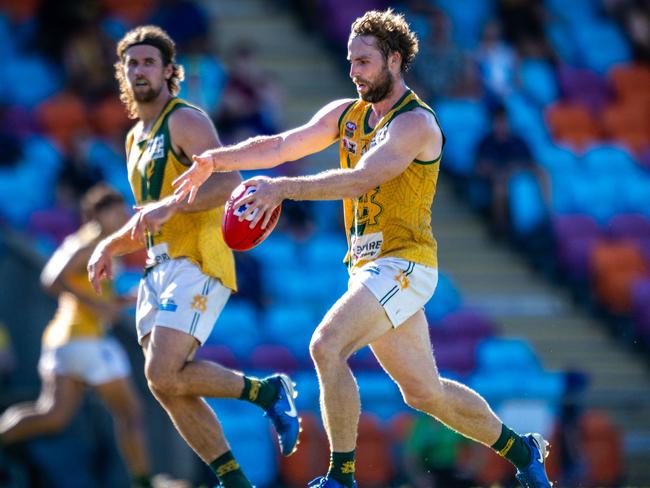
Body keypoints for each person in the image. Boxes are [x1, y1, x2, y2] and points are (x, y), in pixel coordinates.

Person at [172, 9, 553, 488]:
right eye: (350, 60)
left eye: (364, 61)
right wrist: (214, 159)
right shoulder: (348, 113)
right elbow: (283, 145)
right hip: (370, 268)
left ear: (394, 60)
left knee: (326, 346)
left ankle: (341, 477)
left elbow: (361, 177)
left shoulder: (414, 124)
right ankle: (524, 450)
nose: (353, 71)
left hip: (405, 265)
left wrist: (281, 190)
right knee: (425, 394)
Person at [86, 25, 299, 488]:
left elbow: (228, 182)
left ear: (168, 72)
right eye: (132, 63)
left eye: (148, 62)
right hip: (156, 266)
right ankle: (233, 479)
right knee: (164, 383)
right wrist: (109, 245)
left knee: (163, 371)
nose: (139, 70)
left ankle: (267, 392)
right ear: (122, 72)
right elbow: (149, 217)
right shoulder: (133, 139)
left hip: (197, 258)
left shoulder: (185, 120)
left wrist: (169, 206)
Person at [0, 184, 153, 488]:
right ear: (98, 214)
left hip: (69, 341)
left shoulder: (105, 245)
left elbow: (91, 295)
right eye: (117, 210)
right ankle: (143, 482)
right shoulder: (87, 243)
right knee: (130, 412)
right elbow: (50, 278)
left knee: (53, 416)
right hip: (83, 340)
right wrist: (96, 305)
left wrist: (123, 300)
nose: (123, 215)